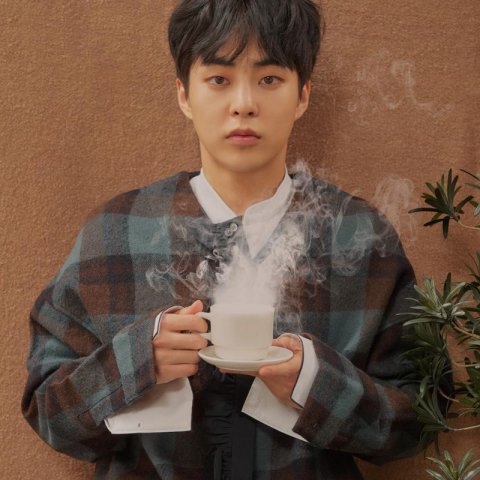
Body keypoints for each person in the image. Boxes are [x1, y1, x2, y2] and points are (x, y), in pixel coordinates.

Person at [22, 1, 425, 478]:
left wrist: (314, 384)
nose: (244, 103)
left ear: (302, 95)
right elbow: (48, 413)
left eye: (269, 78)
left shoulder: (362, 235)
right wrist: (137, 361)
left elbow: (417, 420)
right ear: (184, 94)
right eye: (218, 79)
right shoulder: (114, 231)